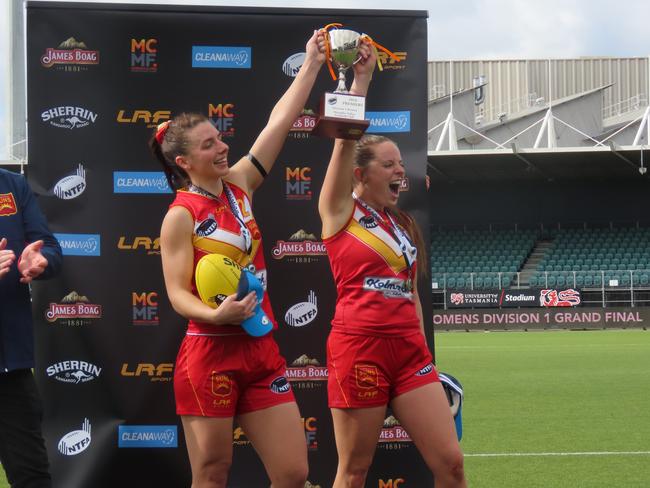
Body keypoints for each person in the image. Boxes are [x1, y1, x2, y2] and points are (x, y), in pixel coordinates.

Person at [150, 31, 325, 488]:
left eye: (219, 137)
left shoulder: (241, 183)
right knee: (211, 473)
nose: (222, 146)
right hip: (208, 352)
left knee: (293, 472)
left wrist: (311, 63)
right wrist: (215, 313)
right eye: (208, 145)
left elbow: (278, 123)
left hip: (260, 349)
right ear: (185, 162)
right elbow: (175, 294)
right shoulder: (180, 217)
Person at [317, 40, 467, 488]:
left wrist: (420, 344)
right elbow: (345, 143)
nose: (400, 171)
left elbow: (411, 293)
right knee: (354, 470)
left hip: (409, 352)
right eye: (389, 165)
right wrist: (361, 79)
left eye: (401, 163)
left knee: (452, 465)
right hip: (360, 348)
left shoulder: (398, 224)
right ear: (360, 175)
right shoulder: (339, 211)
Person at [0, 167, 63, 488]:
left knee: (32, 476)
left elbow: (49, 246)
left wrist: (40, 261)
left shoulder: (12, 185)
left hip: (10, 365)